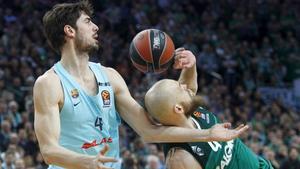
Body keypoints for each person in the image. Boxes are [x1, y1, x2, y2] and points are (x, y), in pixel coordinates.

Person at [33, 1, 248, 169]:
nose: (96, 27)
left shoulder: (110, 77)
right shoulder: (49, 84)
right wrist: (86, 162)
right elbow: (49, 150)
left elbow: (149, 131)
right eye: (88, 22)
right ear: (70, 31)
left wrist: (208, 134)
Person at [144, 49, 274, 169]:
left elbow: (189, 85)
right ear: (178, 108)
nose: (184, 86)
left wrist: (190, 64)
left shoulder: (191, 111)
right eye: (179, 87)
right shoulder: (179, 158)